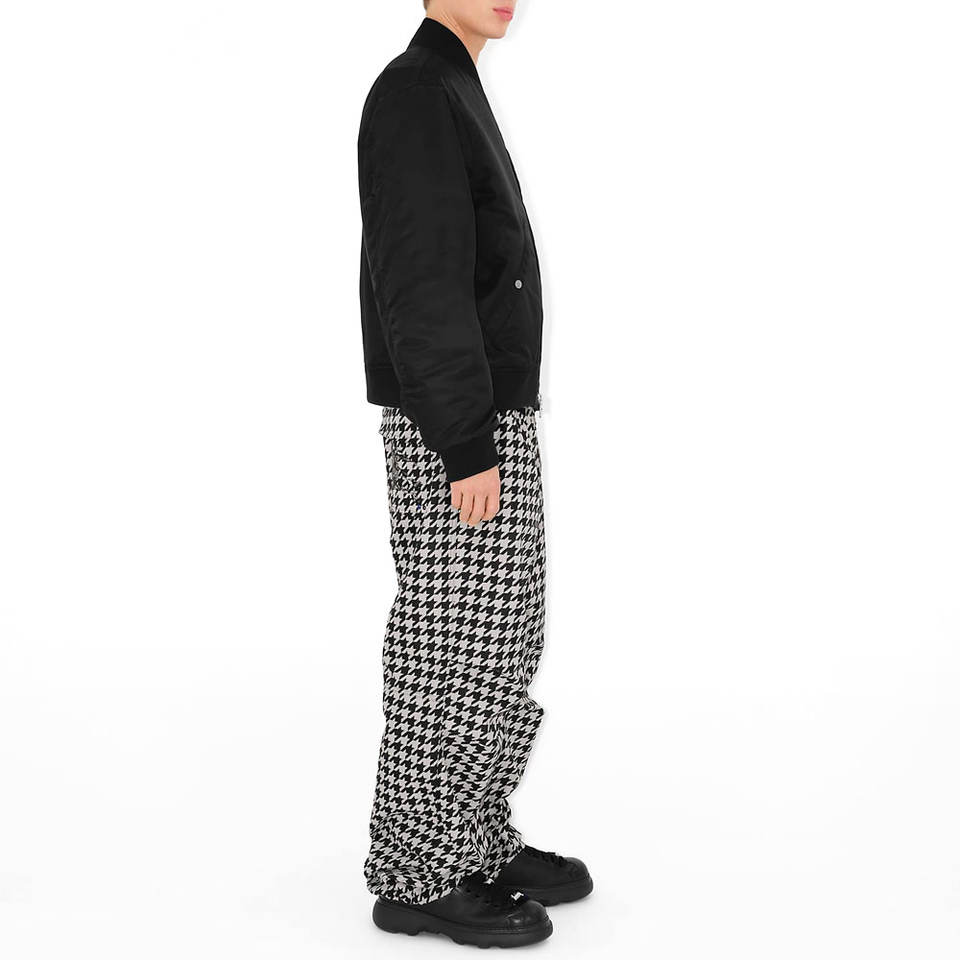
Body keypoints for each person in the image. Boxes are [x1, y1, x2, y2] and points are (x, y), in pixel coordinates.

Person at [356, 1, 592, 947]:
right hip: (454, 423)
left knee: (501, 639)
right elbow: (420, 280)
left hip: (486, 411)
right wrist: (464, 442)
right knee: (450, 645)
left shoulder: (452, 85)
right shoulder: (416, 92)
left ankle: (475, 837)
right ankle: (418, 872)